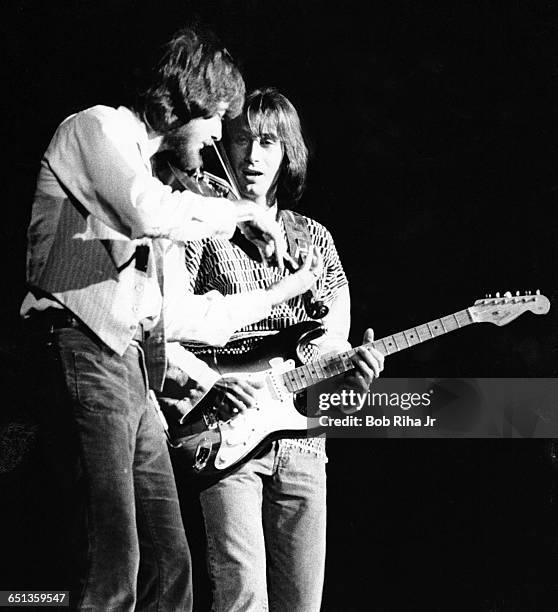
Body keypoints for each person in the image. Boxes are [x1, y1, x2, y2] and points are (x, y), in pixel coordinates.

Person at [20, 28, 319, 611]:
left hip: (132, 370)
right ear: (187, 101)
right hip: (82, 348)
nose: (213, 141)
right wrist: (235, 215)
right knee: (114, 560)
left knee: (169, 562)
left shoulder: (159, 188)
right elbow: (143, 208)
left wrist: (286, 290)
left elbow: (183, 317)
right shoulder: (94, 129)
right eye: (214, 121)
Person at [179, 87, 385, 612]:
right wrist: (211, 382)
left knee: (302, 602)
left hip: (303, 441)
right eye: (244, 138)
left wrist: (353, 372)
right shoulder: (204, 228)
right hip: (226, 428)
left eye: (267, 142)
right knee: (242, 596)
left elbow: (332, 340)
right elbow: (172, 324)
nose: (252, 155)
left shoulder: (315, 238)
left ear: (287, 152)